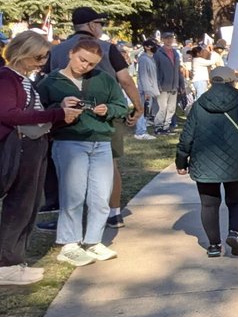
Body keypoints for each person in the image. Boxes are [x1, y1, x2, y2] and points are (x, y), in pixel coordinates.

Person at [38, 37, 129, 266]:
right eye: (82, 60)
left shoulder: (103, 79)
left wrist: (108, 109)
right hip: (69, 141)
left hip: (100, 141)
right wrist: (59, 109)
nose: (85, 67)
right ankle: (69, 243)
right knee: (73, 194)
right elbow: (38, 112)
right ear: (71, 54)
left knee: (100, 195)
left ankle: (93, 241)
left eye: (91, 64)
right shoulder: (51, 82)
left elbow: (121, 105)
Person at [0, 32, 82, 285]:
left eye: (44, 57)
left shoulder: (23, 79)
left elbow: (30, 112)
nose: (41, 62)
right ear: (21, 53)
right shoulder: (7, 78)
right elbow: (10, 115)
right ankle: (7, 265)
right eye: (38, 57)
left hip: (34, 145)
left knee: (30, 204)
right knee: (19, 204)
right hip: (20, 145)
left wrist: (56, 111)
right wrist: (57, 114)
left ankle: (15, 261)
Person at [175, 66, 238, 258]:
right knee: (237, 201)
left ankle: (214, 246)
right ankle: (234, 233)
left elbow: (187, 137)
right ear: (232, 81)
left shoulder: (199, 105)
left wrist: (181, 160)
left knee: (209, 205)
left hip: (204, 162)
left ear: (211, 81)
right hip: (237, 162)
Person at [153, 30, 185, 133]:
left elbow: (178, 71)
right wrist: (157, 84)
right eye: (167, 38)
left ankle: (166, 127)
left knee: (171, 108)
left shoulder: (175, 53)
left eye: (171, 38)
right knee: (163, 108)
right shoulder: (158, 53)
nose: (169, 40)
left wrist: (181, 85)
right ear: (162, 40)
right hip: (162, 85)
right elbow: (156, 70)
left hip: (174, 85)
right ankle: (158, 127)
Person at [134, 40, 160, 140]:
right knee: (143, 111)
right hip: (146, 90)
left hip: (150, 89)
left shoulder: (151, 59)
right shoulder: (144, 59)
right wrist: (147, 91)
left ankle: (142, 129)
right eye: (152, 45)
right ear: (146, 47)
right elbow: (144, 76)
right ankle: (140, 132)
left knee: (146, 111)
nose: (155, 47)